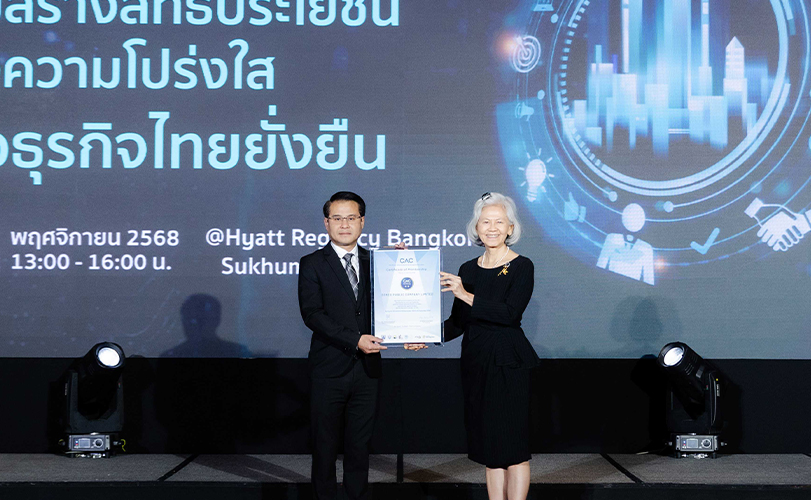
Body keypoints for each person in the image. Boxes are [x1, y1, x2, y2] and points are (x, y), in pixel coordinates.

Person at [298, 191, 422, 499]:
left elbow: (396, 302)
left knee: (359, 445)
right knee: (324, 446)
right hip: (329, 368)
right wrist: (354, 339)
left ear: (362, 222)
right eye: (337, 218)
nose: (344, 224)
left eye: (351, 218)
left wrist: (402, 264)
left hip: (367, 370)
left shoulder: (378, 261)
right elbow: (312, 314)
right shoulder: (312, 263)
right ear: (326, 223)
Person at [440, 192, 540, 500]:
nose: (492, 228)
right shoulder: (468, 269)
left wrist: (465, 295)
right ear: (476, 227)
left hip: (508, 363)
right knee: (489, 447)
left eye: (499, 222)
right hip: (476, 362)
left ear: (511, 228)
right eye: (485, 222)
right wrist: (424, 336)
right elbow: (458, 322)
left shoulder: (522, 266)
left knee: (513, 447)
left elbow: (509, 313)